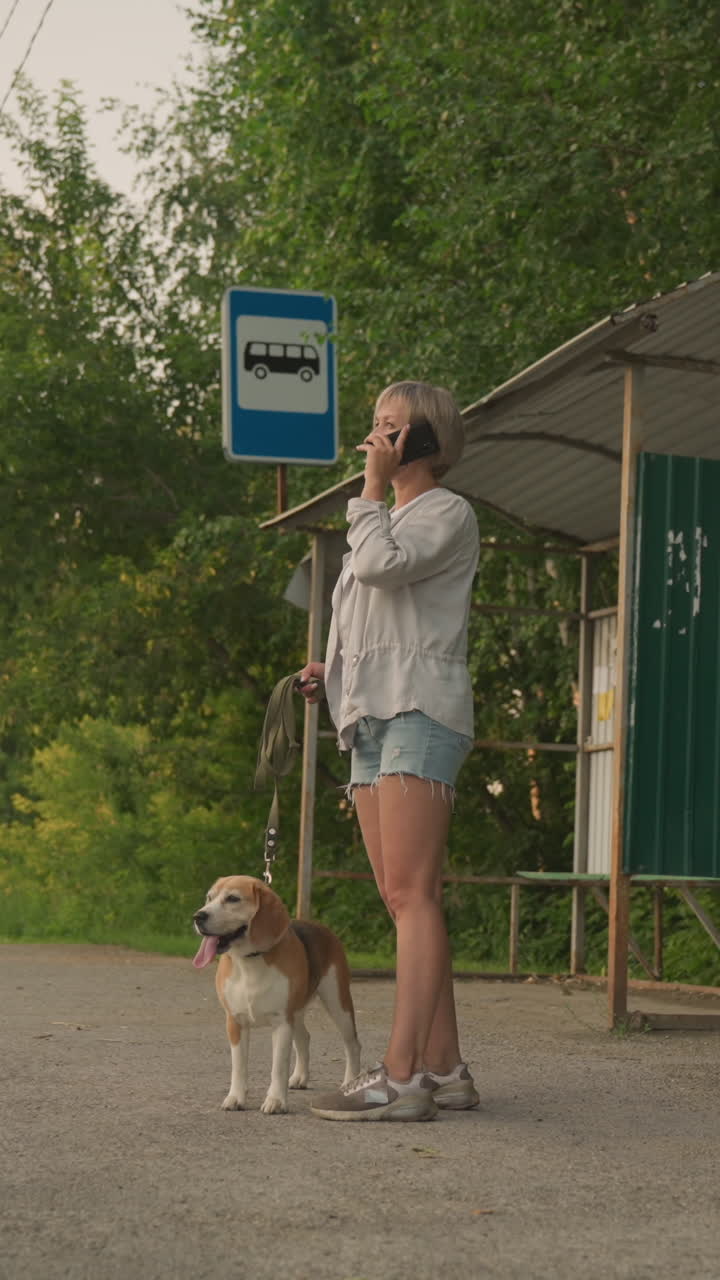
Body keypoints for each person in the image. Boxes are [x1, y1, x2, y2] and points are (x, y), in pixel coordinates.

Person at [296, 379, 479, 1122]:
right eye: (374, 424)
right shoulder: (381, 517)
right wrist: (327, 673)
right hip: (368, 717)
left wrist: (369, 494)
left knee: (413, 895)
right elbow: (364, 615)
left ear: (426, 440)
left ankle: (402, 1078)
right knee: (403, 896)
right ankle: (447, 1068)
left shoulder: (444, 512)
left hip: (419, 711)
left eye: (391, 427)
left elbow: (381, 567)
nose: (374, 437)